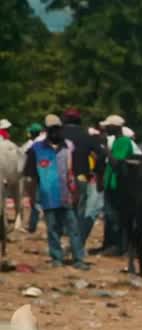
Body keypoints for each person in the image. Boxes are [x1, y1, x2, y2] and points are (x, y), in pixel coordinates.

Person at [23, 114, 82, 269]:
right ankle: (57, 258)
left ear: (61, 129)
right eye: (52, 129)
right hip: (48, 196)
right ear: (46, 130)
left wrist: (77, 192)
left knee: (74, 229)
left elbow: (75, 170)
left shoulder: (69, 146)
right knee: (53, 229)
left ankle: (78, 259)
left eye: (57, 129)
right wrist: (31, 196)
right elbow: (30, 177)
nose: (55, 132)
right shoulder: (36, 150)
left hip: (68, 194)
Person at [59, 108, 103, 255]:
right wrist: (96, 170)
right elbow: (101, 153)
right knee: (79, 211)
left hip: (59, 178)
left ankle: (60, 243)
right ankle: (75, 244)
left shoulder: (56, 134)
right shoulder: (85, 136)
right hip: (81, 177)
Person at [100, 114, 138, 257]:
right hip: (111, 183)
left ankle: (119, 246)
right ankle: (114, 245)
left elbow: (117, 162)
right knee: (110, 216)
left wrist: (105, 149)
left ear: (115, 128)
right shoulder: (116, 141)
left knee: (116, 217)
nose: (106, 129)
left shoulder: (123, 142)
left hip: (119, 184)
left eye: (108, 127)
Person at [20, 122, 43, 233]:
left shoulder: (30, 144)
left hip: (34, 175)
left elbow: (21, 156)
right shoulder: (44, 142)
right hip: (45, 175)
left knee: (35, 202)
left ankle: (32, 226)